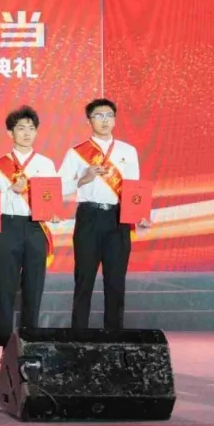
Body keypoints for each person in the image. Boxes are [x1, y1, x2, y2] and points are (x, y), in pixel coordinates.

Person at [58, 98, 149, 331]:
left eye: (109, 115)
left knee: (116, 282)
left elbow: (134, 188)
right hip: (89, 216)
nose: (105, 120)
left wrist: (140, 214)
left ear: (115, 119)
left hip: (118, 218)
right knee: (84, 280)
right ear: (89, 121)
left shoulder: (128, 151)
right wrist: (84, 178)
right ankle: (79, 335)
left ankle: (114, 336)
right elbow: (58, 188)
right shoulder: (76, 153)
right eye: (98, 116)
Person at [0, 106, 58, 348]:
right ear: (10, 133)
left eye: (31, 128)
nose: (27, 133)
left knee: (34, 287)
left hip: (35, 227)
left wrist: (53, 212)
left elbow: (51, 197)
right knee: (5, 288)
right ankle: (4, 344)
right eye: (21, 128)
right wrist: (12, 191)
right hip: (8, 225)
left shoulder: (46, 163)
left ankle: (30, 342)